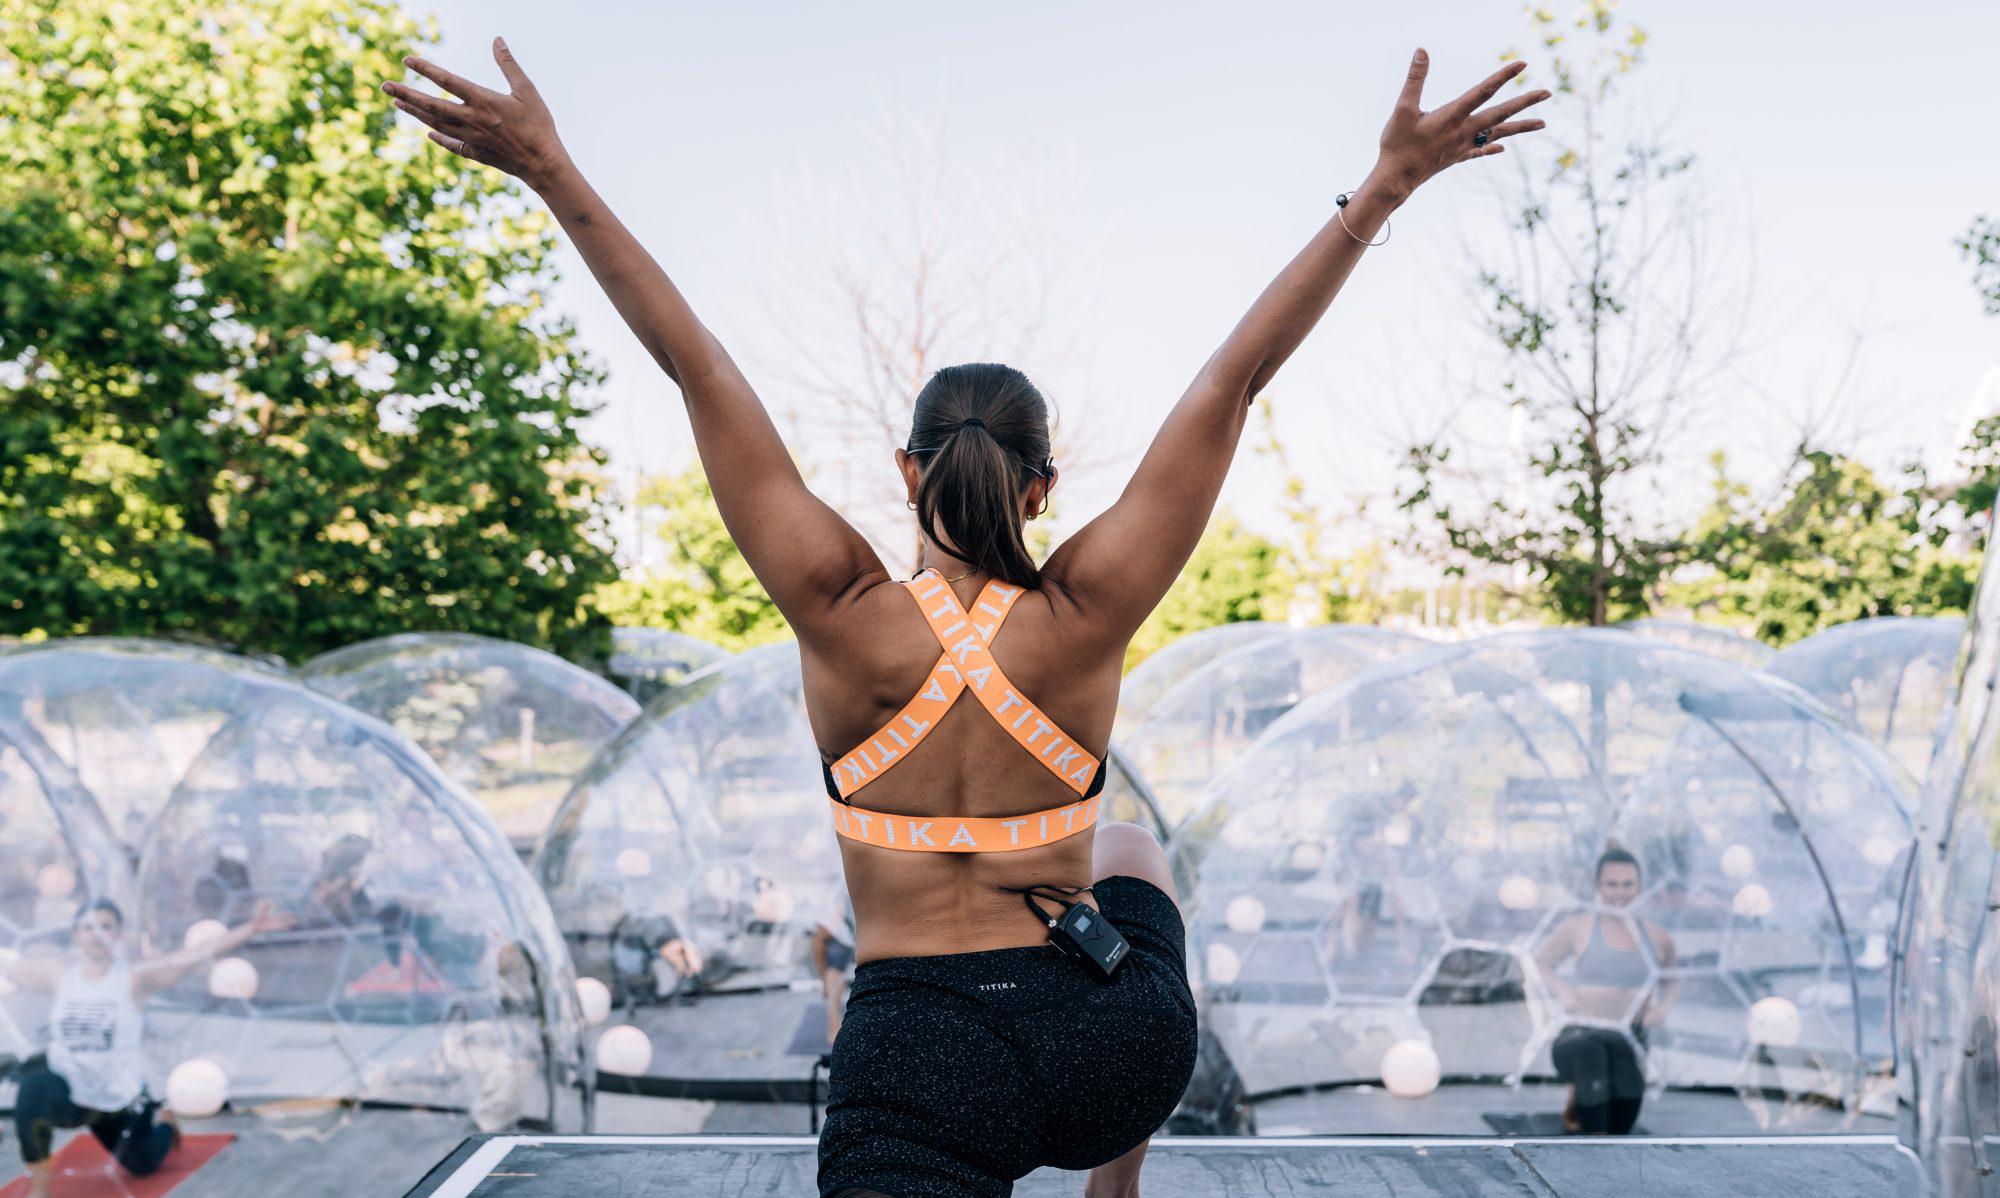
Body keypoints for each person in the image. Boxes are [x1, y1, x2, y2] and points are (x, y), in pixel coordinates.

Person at [383, 39, 1546, 1198]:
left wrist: (549, 170)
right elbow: (1229, 382)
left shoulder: (839, 608)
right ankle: (1114, 1185)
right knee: (1133, 848)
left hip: (918, 1065)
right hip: (1111, 1055)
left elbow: (694, 366)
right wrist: (1385, 184)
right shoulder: (1085, 609)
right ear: (1042, 487)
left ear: (904, 471)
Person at [2, 897, 291, 1197]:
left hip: (116, 1099)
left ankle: (165, 1123)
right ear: (76, 934)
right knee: (33, 1089)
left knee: (144, 1164)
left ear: (118, 934)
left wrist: (249, 929)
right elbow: (9, 965)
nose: (96, 934)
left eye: (105, 926)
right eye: (88, 927)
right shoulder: (59, 974)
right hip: (68, 1089)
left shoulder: (135, 976)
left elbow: (191, 956)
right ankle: (41, 1189)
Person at [1532, 847, 1680, 1135]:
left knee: (1622, 1122)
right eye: (1611, 884)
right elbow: (1540, 963)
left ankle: (1584, 1099)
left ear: (1640, 887)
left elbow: (1672, 980)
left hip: (1628, 1037)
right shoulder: (1578, 928)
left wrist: (1663, 1008)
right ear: (1598, 886)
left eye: (1628, 884)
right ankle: (1581, 1094)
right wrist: (1564, 992)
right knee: (1594, 1072)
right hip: (1581, 1035)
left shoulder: (1659, 938)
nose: (1619, 893)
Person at [809, 899, 858, 1044]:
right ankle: (834, 1026)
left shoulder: (830, 929)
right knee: (834, 977)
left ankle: (834, 1027)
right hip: (843, 930)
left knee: (833, 977)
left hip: (845, 930)